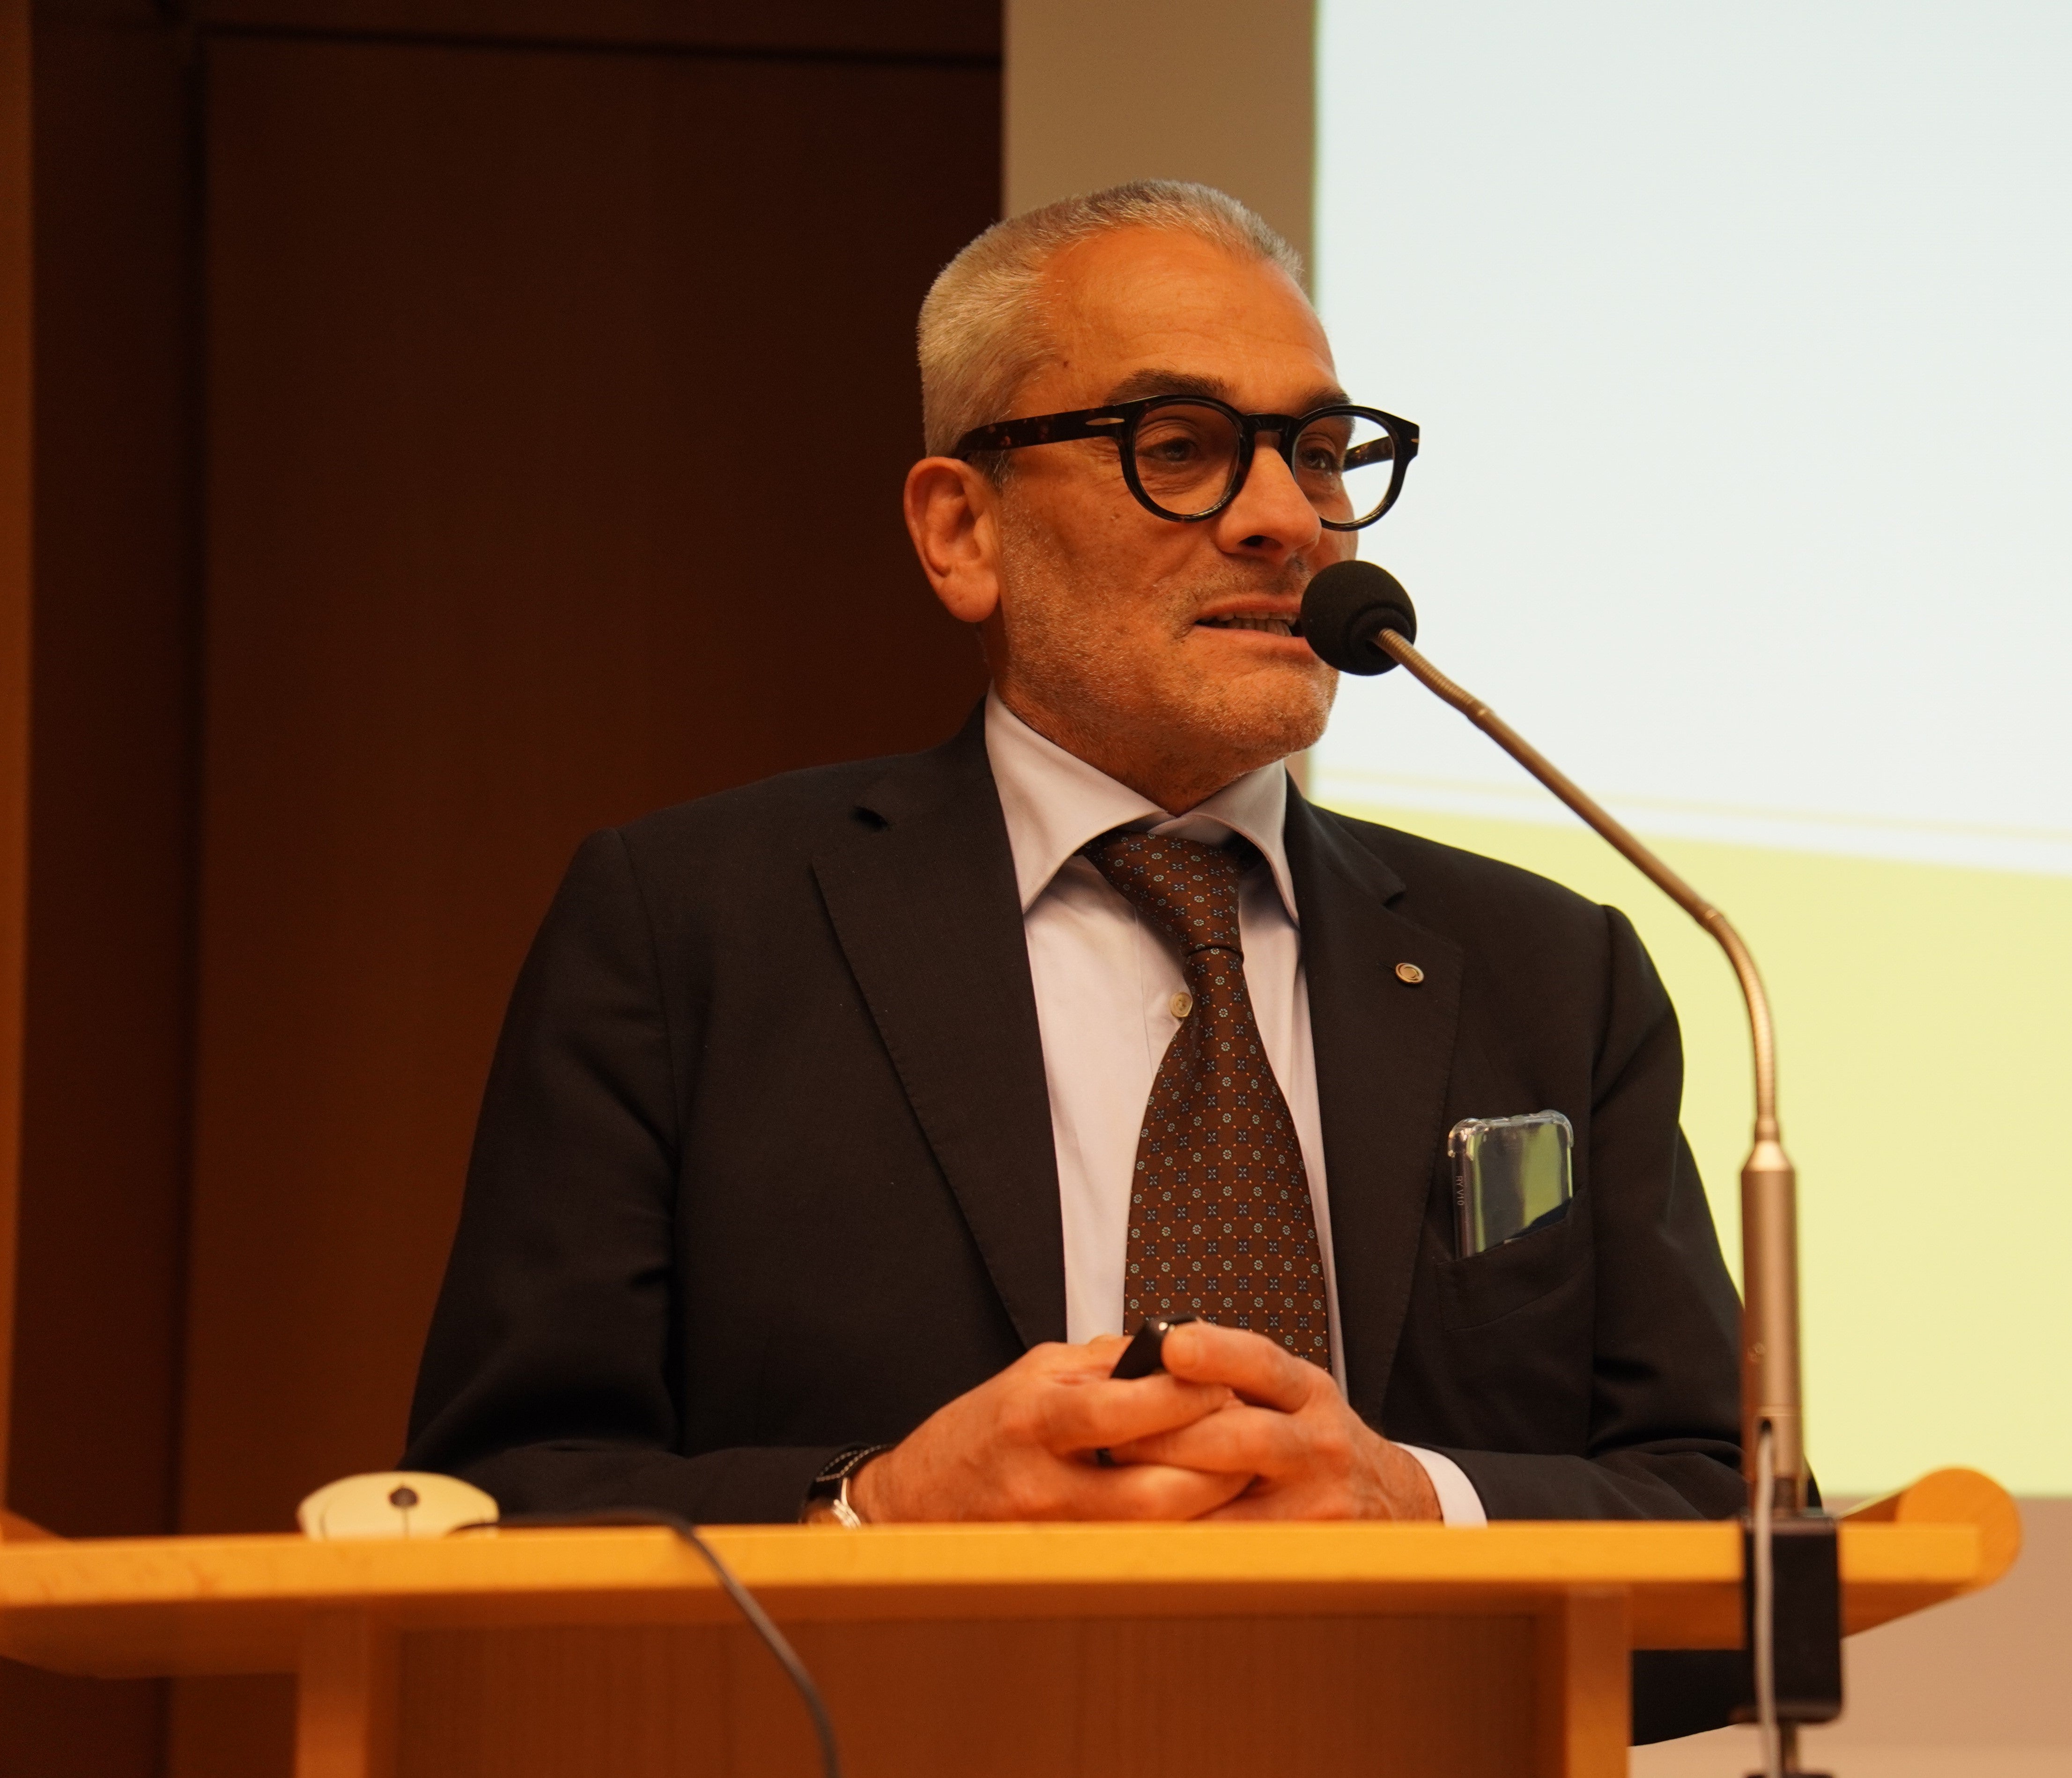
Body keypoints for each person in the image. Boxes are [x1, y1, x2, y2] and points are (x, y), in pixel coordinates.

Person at [405, 184, 1741, 1554]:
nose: (1287, 518)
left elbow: (1734, 1509)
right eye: (1180, 447)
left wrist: (1421, 1505)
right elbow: (501, 1499)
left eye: (1321, 454)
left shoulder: (1551, 972)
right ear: (962, 533)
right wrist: (873, 1511)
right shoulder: (692, 929)